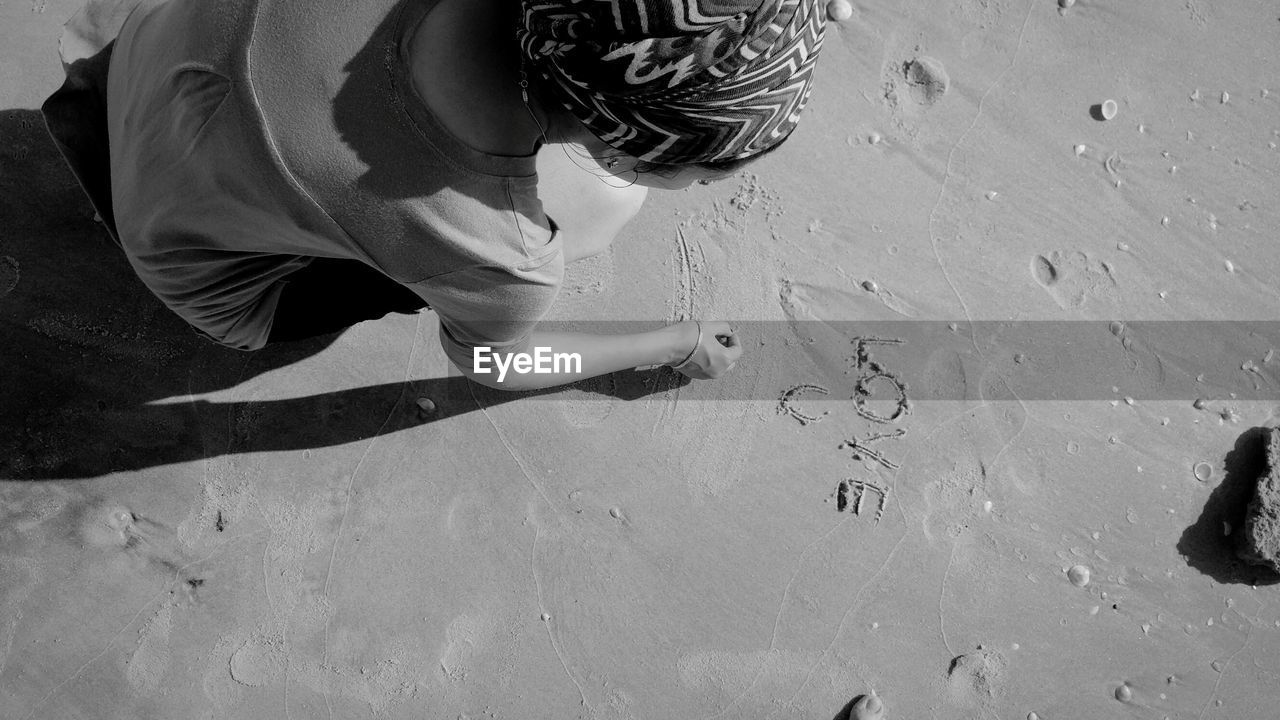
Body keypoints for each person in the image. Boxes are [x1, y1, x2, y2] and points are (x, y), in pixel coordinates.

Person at [43, 0, 827, 390]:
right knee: (591, 215)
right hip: (190, 260)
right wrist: (670, 342)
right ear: (622, 147)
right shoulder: (499, 250)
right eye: (711, 169)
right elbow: (493, 362)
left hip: (133, 73)